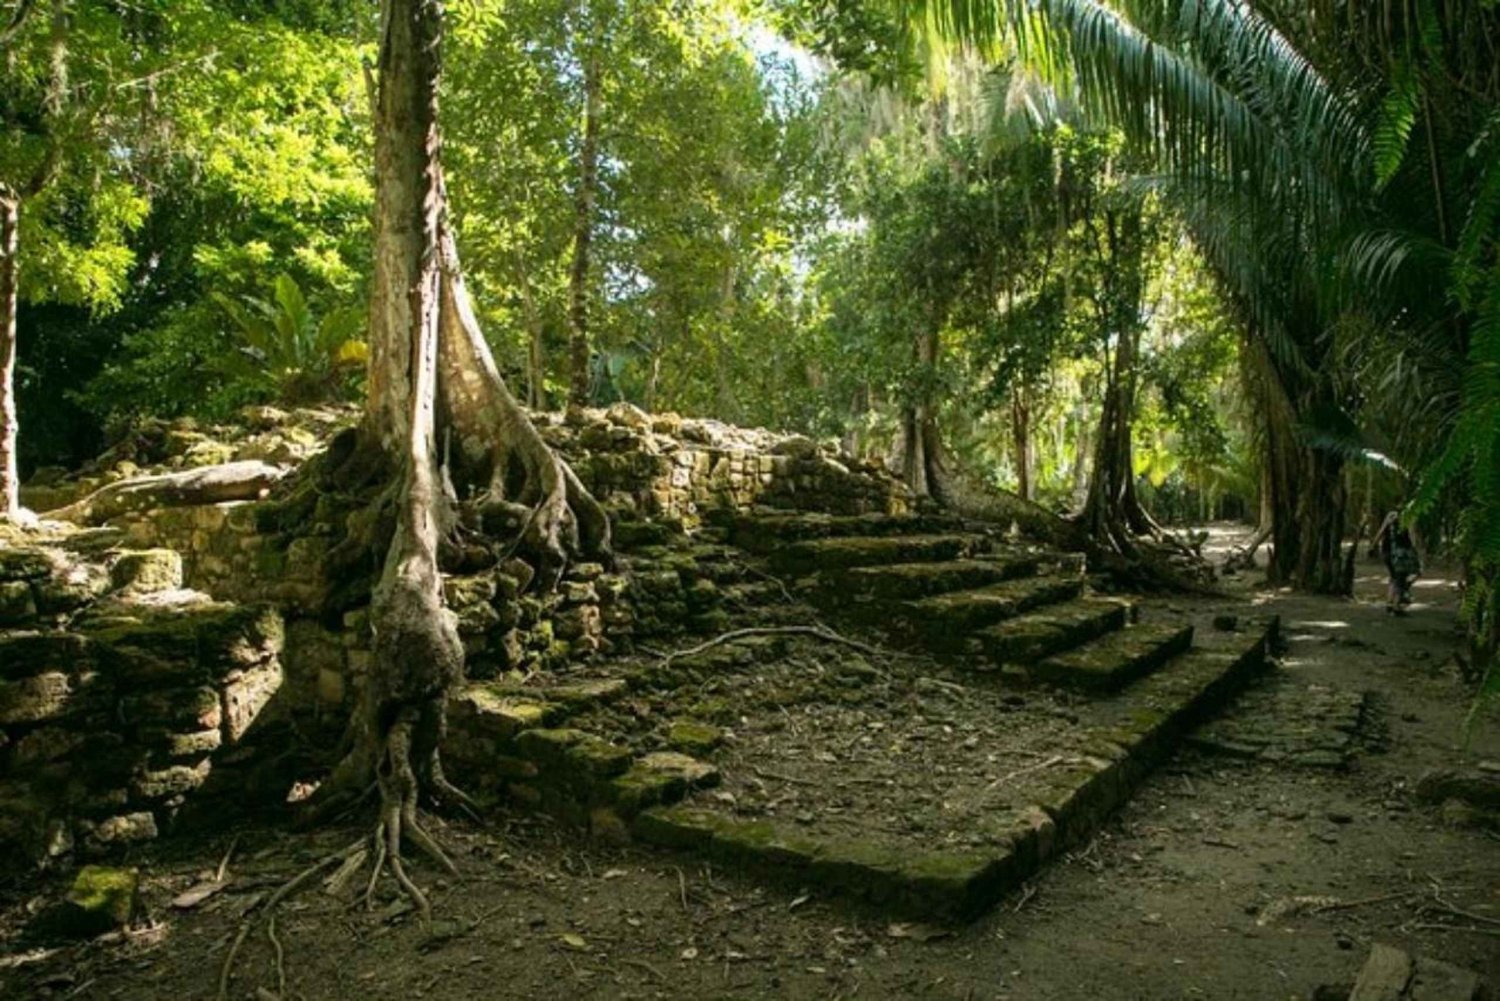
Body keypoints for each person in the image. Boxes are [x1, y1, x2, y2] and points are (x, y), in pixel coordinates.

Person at [1374, 510, 1421, 613]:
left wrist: (1374, 544)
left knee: (1394, 577)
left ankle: (1390, 602)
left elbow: (1381, 531)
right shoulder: (1409, 515)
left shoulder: (1390, 515)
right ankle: (1397, 604)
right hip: (1401, 552)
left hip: (1387, 552)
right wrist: (1415, 549)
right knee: (1403, 577)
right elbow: (1412, 535)